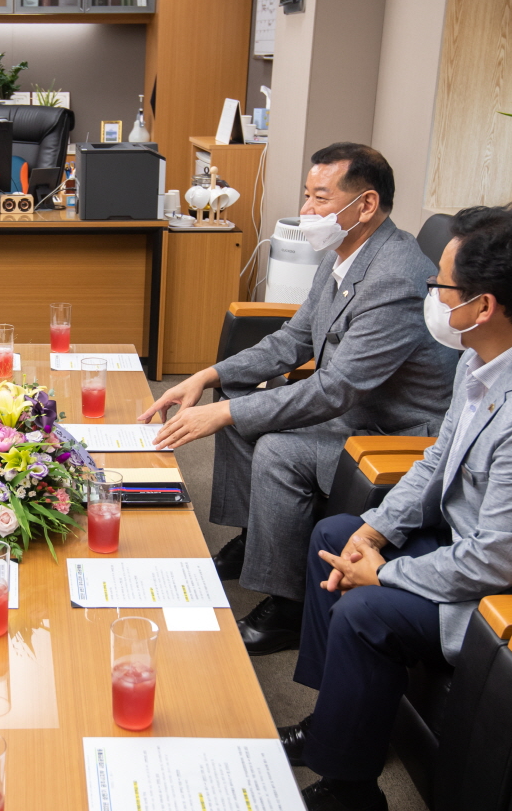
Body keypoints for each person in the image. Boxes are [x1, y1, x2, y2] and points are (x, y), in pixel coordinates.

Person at [282, 205, 512, 811]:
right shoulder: (487, 355)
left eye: (440, 283)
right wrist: (373, 534)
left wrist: (386, 574)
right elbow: (437, 460)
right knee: (338, 536)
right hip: (479, 548)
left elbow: (497, 562)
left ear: (483, 305)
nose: (431, 292)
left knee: (368, 608)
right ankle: (335, 723)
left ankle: (350, 791)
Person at [138, 143, 456, 655]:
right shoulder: (344, 255)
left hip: (392, 433)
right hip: (352, 410)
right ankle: (257, 538)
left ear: (366, 205)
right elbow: (293, 339)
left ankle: (288, 607)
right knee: (235, 394)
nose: (306, 210)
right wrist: (209, 375)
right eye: (307, 195)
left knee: (276, 445)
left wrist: (227, 412)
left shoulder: (395, 278)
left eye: (320, 198)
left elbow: (335, 389)